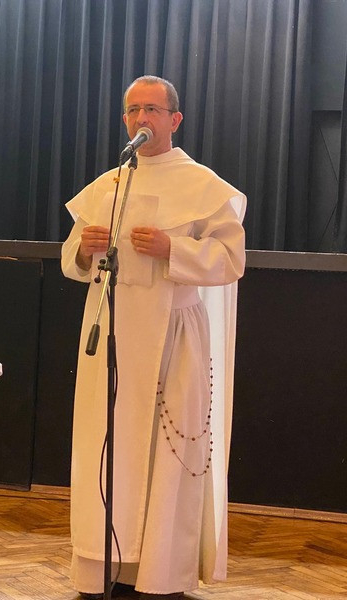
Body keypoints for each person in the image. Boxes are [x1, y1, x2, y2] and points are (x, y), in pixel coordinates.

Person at [61, 75, 246, 600]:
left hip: (172, 340)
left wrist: (173, 250)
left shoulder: (203, 184)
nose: (141, 119)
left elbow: (231, 260)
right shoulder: (110, 185)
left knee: (164, 456)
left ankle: (161, 575)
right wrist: (83, 249)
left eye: (152, 110)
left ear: (174, 120)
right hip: (111, 334)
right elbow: (71, 259)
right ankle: (102, 569)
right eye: (133, 110)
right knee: (106, 449)